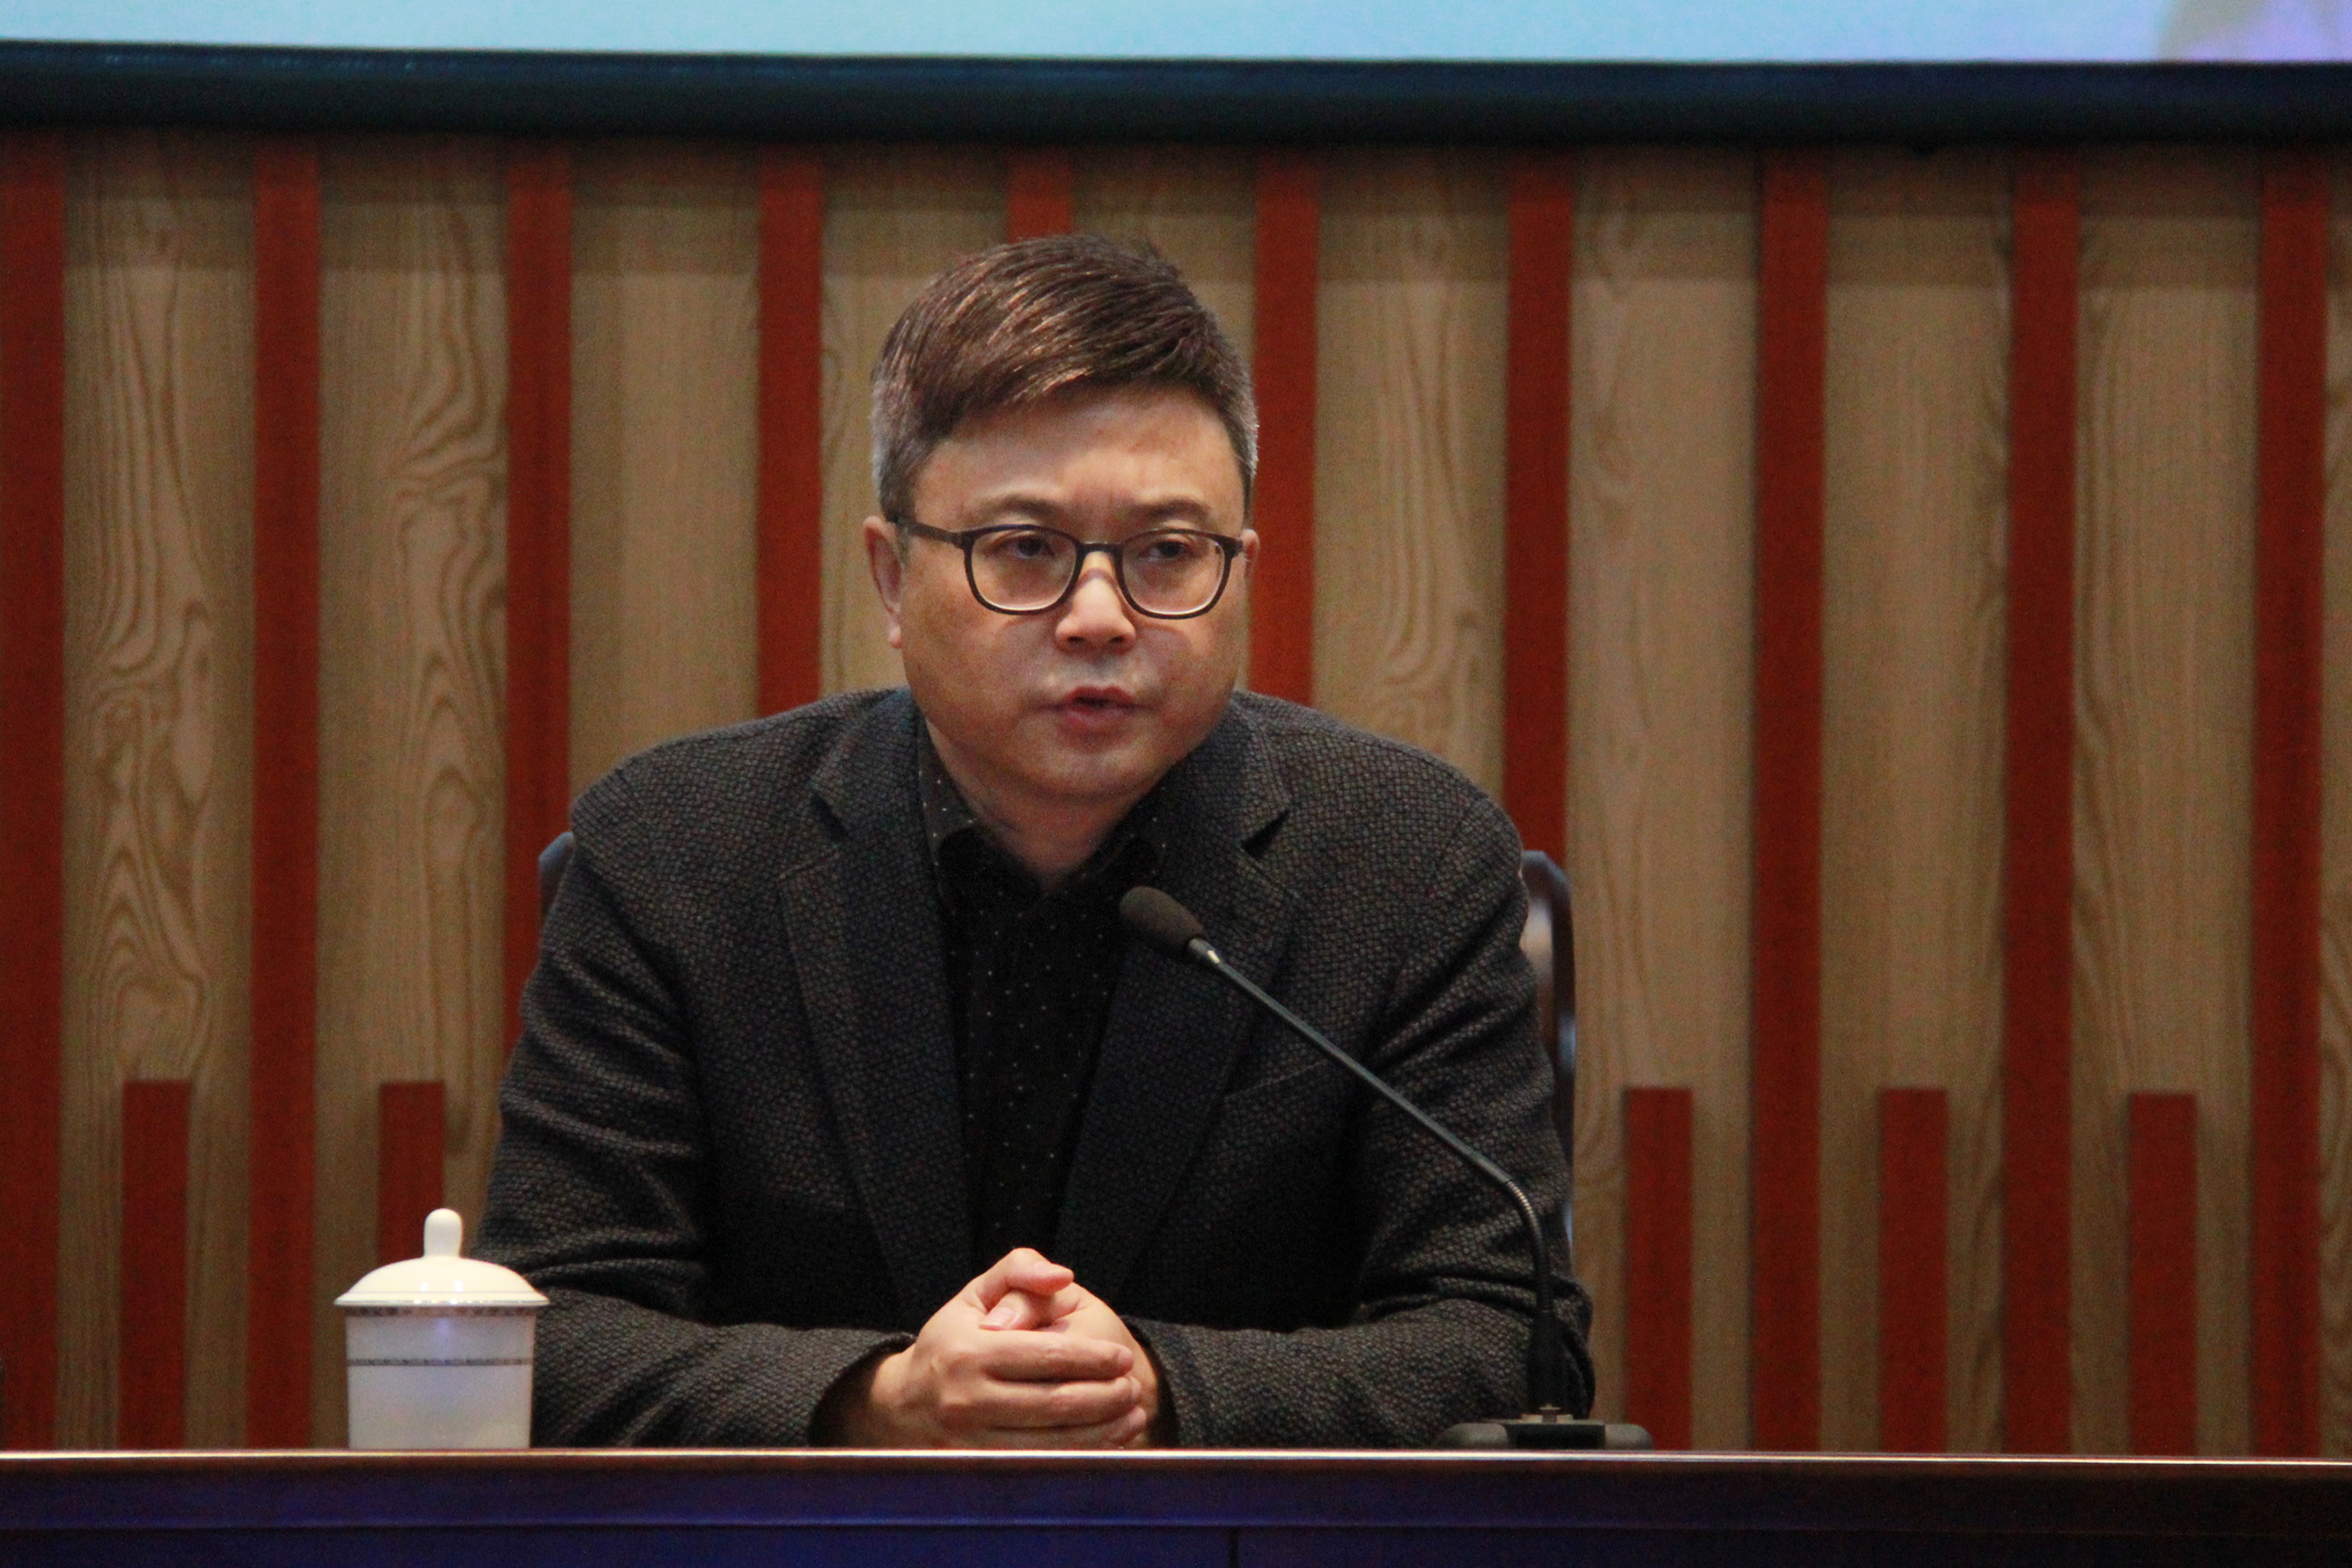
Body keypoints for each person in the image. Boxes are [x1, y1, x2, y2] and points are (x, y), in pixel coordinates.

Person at [476, 234, 1594, 1447]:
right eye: (1024, 550)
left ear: (1241, 573)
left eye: (1169, 553)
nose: (1101, 617)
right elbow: (549, 1332)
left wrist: (1156, 1389)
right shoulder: (677, 853)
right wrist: (876, 1402)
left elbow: (1508, 1340)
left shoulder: (1409, 861)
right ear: (891, 578)